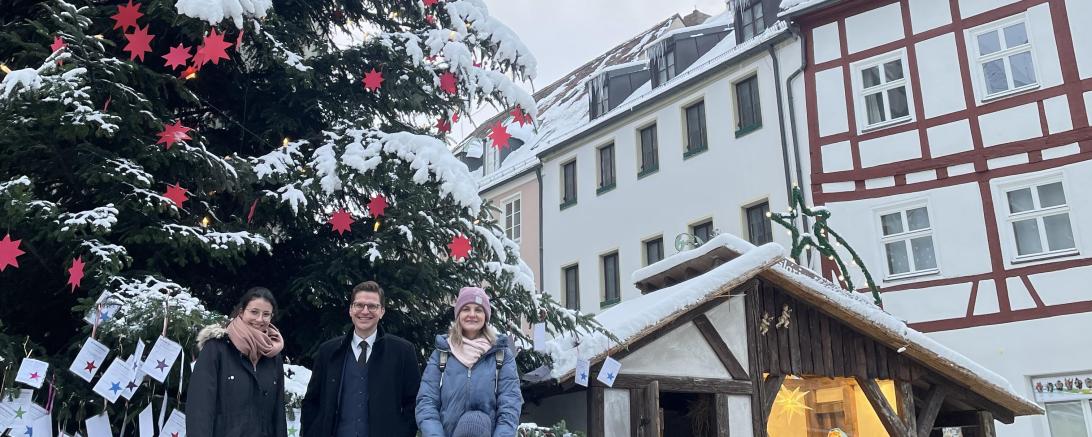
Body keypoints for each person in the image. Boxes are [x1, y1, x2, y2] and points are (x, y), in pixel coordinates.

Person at [301, 281, 420, 437]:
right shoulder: (328, 351)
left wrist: (401, 432)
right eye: (359, 305)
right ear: (351, 310)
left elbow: (414, 402)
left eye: (372, 306)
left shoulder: (403, 352)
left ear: (382, 311)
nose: (365, 311)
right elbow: (312, 402)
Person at [416, 287, 522, 437]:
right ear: (458, 314)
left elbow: (510, 405)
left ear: (485, 316)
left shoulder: (501, 355)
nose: (472, 315)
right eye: (466, 309)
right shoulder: (441, 354)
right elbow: (427, 402)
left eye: (478, 310)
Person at [187, 287, 288, 437]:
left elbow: (278, 414)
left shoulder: (273, 356)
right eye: (254, 312)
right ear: (241, 312)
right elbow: (200, 407)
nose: (260, 319)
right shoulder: (216, 348)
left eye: (266, 314)